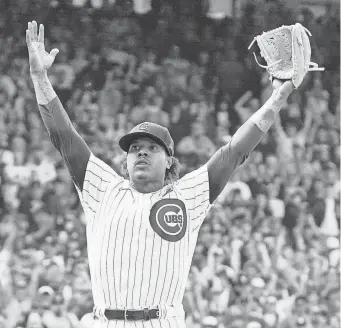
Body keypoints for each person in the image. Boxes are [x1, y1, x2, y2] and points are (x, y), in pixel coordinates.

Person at [26, 20, 295, 327]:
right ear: (125, 159)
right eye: (135, 148)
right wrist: (39, 77)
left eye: (152, 148)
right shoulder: (102, 189)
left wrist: (276, 100)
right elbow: (64, 137)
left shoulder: (187, 195)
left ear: (169, 160)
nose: (141, 152)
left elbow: (233, 152)